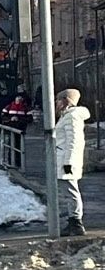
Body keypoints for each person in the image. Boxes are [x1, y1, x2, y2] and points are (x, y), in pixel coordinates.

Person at [59, 88, 88, 238]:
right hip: (64, 160)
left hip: (67, 161)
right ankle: (73, 221)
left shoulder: (72, 117)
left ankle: (76, 223)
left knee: (71, 190)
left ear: (66, 101)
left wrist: (68, 163)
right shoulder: (67, 116)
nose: (56, 103)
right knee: (68, 191)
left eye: (59, 100)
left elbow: (73, 141)